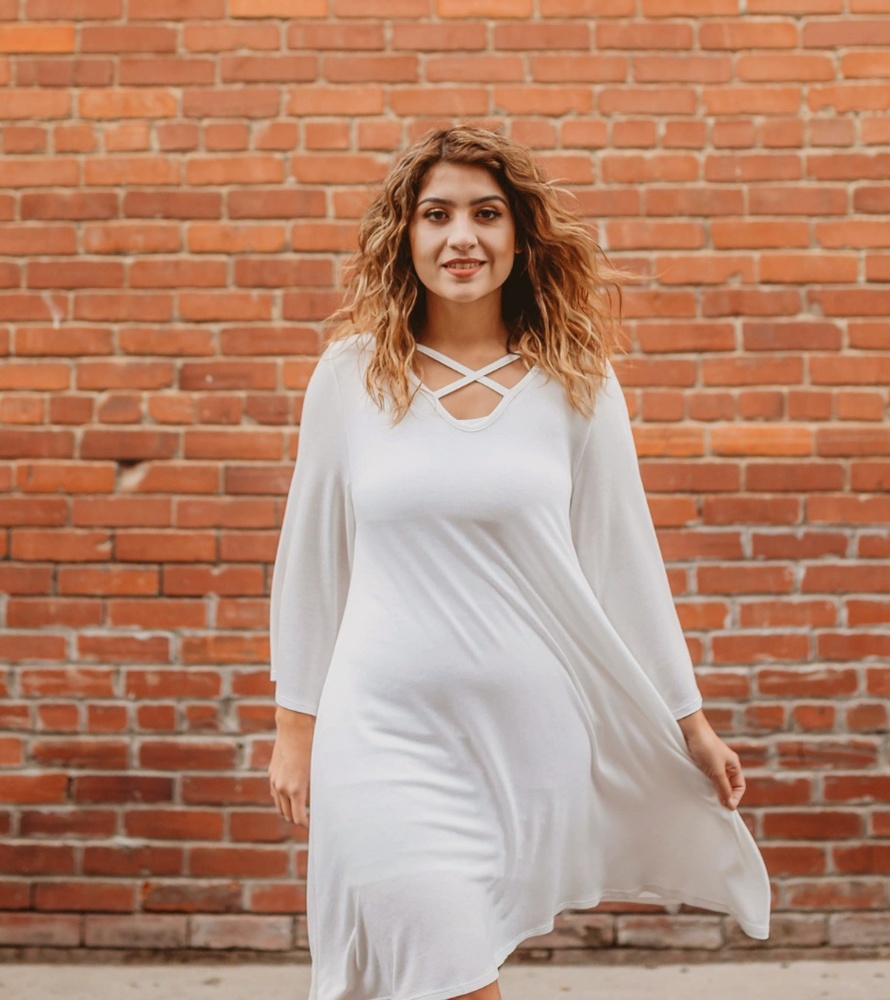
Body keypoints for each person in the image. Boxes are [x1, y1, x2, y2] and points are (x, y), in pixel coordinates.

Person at [267, 125, 770, 1000]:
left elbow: (625, 561)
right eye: (437, 215)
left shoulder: (576, 382)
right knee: (444, 966)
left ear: (520, 236)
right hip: (382, 733)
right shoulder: (349, 378)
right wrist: (293, 729)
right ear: (407, 236)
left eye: (485, 214)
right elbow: (310, 559)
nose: (461, 236)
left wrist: (689, 721)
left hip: (521, 741)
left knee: (429, 975)